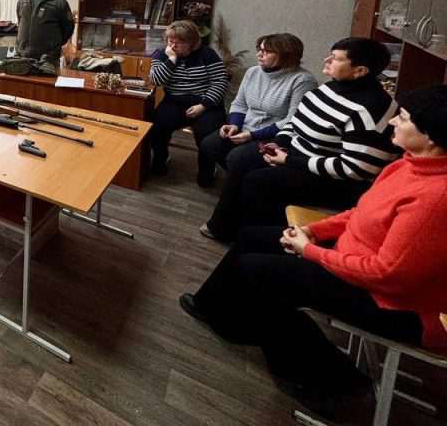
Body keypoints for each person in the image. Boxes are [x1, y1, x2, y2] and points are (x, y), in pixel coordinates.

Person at [179, 84, 447, 420]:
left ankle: (339, 384)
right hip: (355, 260)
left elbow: (387, 274)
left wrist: (309, 251)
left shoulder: (436, 198)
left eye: (403, 118)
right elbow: (360, 213)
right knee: (251, 237)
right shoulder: (406, 165)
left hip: (394, 304)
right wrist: (313, 232)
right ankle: (216, 311)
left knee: (259, 274)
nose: (393, 122)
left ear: (431, 137)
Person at [237, 37, 399, 232]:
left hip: (338, 182)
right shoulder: (330, 87)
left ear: (360, 71)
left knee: (258, 182)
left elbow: (356, 169)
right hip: (300, 157)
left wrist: (289, 161)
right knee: (242, 159)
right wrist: (280, 142)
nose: (327, 60)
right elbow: (296, 121)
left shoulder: (369, 109)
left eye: (336, 58)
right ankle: (226, 227)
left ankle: (265, 237)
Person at [198, 33, 317, 235]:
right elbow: (239, 103)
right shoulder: (253, 72)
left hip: (275, 136)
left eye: (267, 51)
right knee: (210, 144)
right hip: (245, 128)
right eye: (259, 49)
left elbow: (292, 120)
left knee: (237, 158)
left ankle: (222, 223)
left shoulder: (302, 80)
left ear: (286, 55)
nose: (259, 54)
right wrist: (234, 125)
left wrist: (252, 136)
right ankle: (241, 185)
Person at [148, 20, 228, 182]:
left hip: (206, 103)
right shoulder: (162, 54)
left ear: (191, 42)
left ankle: (206, 171)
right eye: (170, 41)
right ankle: (161, 160)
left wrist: (203, 105)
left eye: (179, 42)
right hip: (174, 101)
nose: (173, 45)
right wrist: (171, 59)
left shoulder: (207, 54)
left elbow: (220, 82)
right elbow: (156, 80)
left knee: (206, 134)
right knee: (157, 127)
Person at [16, 0, 74, 71]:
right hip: (22, 56)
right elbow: (20, 22)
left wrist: (54, 45)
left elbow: (68, 28)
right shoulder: (23, 1)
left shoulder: (60, 3)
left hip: (48, 59)